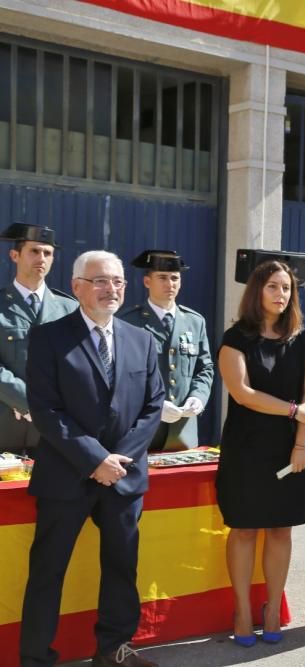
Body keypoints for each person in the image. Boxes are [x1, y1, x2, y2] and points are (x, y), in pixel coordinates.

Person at [20, 250, 164, 667]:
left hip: (124, 477)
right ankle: (35, 658)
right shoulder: (50, 337)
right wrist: (94, 459)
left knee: (122, 567)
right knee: (48, 572)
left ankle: (114, 649)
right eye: (100, 281)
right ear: (77, 285)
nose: (111, 289)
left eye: (117, 281)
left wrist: (118, 461)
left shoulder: (142, 339)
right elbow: (46, 410)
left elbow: (152, 406)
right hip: (66, 476)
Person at [216, 259, 305, 647]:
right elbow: (243, 394)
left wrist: (301, 443)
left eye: (287, 288)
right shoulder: (235, 338)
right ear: (257, 290)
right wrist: (292, 411)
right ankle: (242, 609)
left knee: (280, 528)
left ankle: (272, 608)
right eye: (273, 286)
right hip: (245, 448)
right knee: (243, 529)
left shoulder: (302, 338)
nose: (281, 295)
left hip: (289, 448)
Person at [119, 250, 214, 451]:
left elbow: (204, 369)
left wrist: (198, 397)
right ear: (147, 282)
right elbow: (120, 376)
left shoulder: (195, 322)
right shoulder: (127, 321)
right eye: (162, 278)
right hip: (141, 430)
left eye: (175, 278)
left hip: (183, 433)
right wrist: (153, 406)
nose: (169, 284)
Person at [0, 223, 77, 454]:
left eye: (48, 253)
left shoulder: (70, 309)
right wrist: (24, 401)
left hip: (54, 429)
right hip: (5, 424)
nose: (41, 258)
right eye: (34, 251)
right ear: (15, 255)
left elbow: (78, 366)